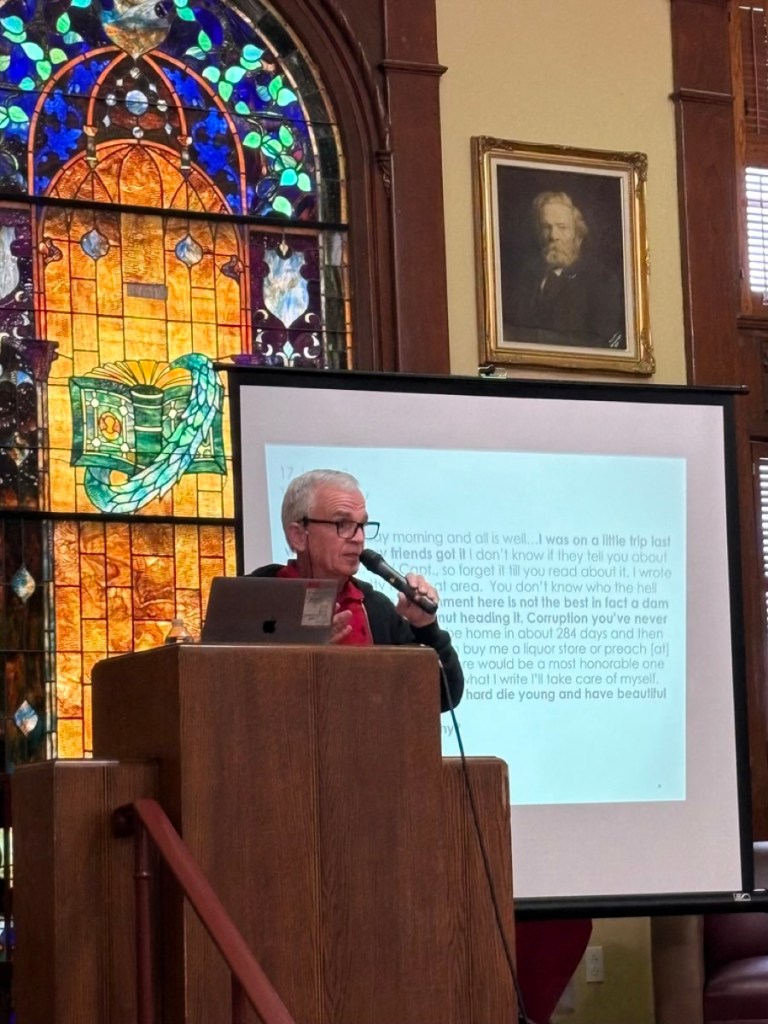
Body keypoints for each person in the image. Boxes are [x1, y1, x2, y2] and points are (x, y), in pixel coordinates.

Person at [249, 468, 464, 711]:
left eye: (361, 525)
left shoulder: (376, 608)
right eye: (342, 524)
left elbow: (444, 696)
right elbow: (229, 692)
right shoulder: (253, 601)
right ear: (298, 535)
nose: (359, 538)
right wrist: (301, 657)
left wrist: (426, 627)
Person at [502, 190, 625, 348]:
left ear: (578, 235)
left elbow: (604, 344)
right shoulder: (524, 277)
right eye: (546, 227)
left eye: (562, 227)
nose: (553, 236)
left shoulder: (602, 281)